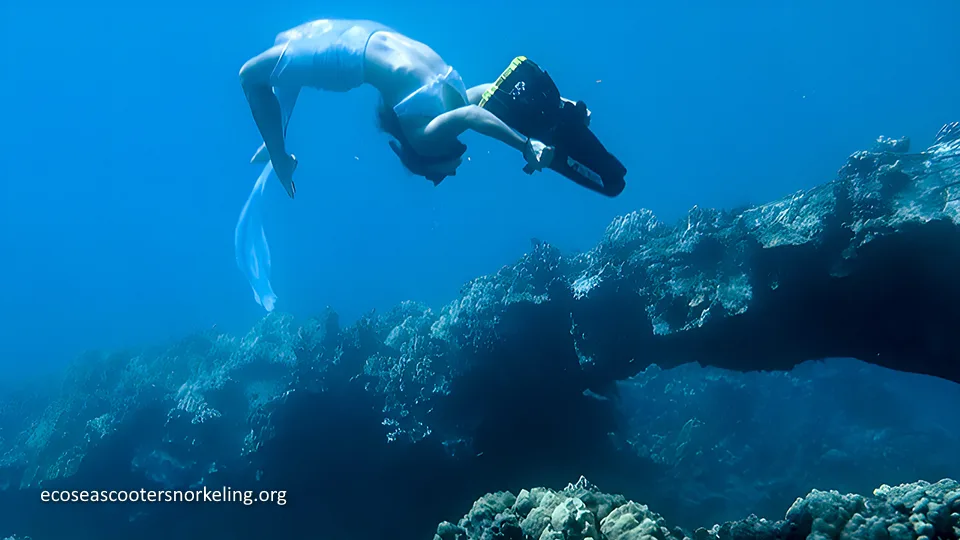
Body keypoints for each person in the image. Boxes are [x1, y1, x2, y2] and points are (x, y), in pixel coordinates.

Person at [238, 18, 559, 196]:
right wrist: (526, 143)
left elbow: (490, 94)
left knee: (263, 69)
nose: (449, 173)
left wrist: (544, 114)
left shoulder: (448, 106)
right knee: (258, 73)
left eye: (439, 177)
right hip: (350, 47)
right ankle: (280, 157)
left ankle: (276, 143)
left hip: (355, 41)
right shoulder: (428, 134)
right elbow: (475, 113)